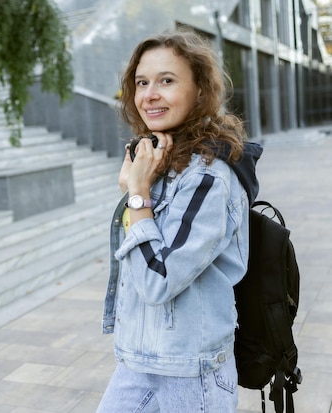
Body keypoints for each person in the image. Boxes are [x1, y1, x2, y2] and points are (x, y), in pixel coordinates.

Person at [97, 29, 263, 412]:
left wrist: (135, 193)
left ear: (201, 92)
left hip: (191, 372)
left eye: (166, 81)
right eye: (142, 82)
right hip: (138, 362)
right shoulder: (160, 161)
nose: (149, 94)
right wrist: (136, 187)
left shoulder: (208, 177)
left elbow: (158, 281)